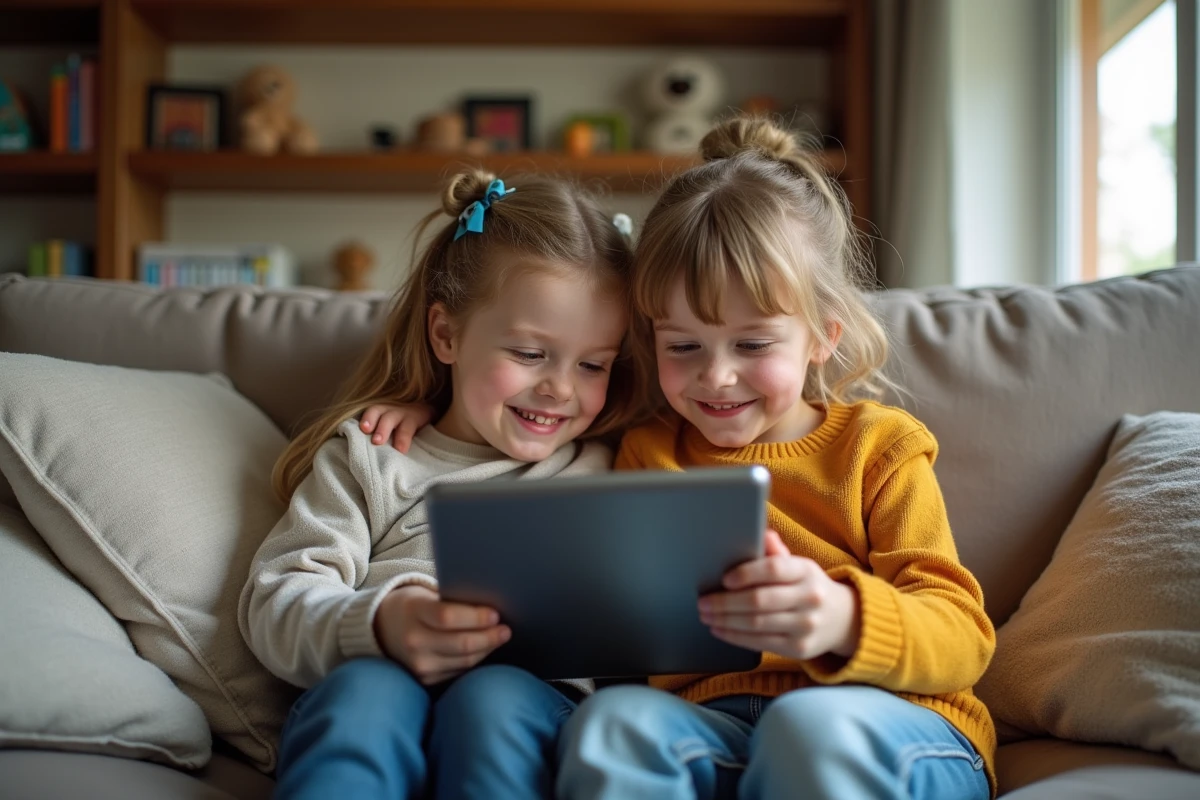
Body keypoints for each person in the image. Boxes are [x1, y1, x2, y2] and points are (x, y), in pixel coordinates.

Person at [363, 116, 997, 800]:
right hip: (714, 727)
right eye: (683, 346)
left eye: (752, 345)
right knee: (611, 722)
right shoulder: (645, 447)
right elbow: (531, 413)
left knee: (808, 730)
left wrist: (842, 619)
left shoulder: (880, 446)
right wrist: (425, 404)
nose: (716, 377)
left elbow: (963, 633)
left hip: (899, 726)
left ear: (821, 337)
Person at [238, 169, 639, 800]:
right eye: (530, 354)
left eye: (593, 365)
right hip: (377, 676)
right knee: (365, 696)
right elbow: (276, 599)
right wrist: (377, 625)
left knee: (493, 700)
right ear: (446, 334)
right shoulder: (375, 455)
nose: (562, 388)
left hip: (526, 702)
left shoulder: (614, 464)